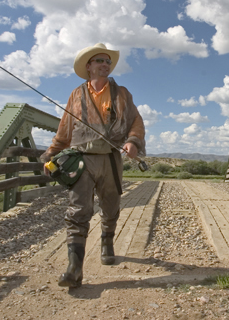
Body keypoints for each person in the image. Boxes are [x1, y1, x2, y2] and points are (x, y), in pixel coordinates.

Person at [41, 43, 145, 288]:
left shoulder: (122, 94)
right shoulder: (76, 94)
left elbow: (136, 122)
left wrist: (132, 142)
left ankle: (107, 242)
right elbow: (64, 129)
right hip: (81, 161)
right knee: (78, 212)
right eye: (99, 60)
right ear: (88, 66)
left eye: (107, 61)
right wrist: (50, 154)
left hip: (110, 159)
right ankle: (74, 269)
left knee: (110, 206)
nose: (105, 64)